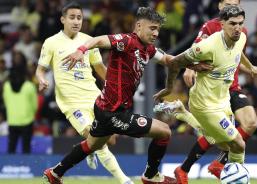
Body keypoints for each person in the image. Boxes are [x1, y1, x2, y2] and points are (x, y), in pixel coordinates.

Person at [42, 6, 212, 184]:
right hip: (113, 112)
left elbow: (170, 60)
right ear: (139, 26)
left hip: (103, 107)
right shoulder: (127, 41)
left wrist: (192, 65)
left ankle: (55, 173)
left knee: (92, 145)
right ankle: (151, 175)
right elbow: (100, 40)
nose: (155, 33)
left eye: (158, 30)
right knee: (164, 131)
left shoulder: (148, 49)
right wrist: (81, 50)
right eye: (152, 28)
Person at [155, 5, 257, 184]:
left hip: (222, 100)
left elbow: (239, 56)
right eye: (232, 24)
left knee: (223, 142)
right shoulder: (207, 46)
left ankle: (183, 114)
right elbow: (175, 62)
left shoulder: (242, 37)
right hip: (204, 103)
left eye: (240, 23)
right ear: (221, 24)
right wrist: (171, 86)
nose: (237, 28)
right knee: (237, 144)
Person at [36, 2, 131, 184]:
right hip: (72, 103)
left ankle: (88, 149)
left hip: (95, 97)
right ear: (62, 19)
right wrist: (42, 79)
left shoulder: (89, 41)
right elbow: (40, 69)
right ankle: (125, 180)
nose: (76, 21)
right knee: (94, 138)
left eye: (79, 18)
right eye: (72, 17)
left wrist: (116, 88)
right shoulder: (51, 43)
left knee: (110, 141)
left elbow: (100, 68)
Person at [3, 51, 37, 154]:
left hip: (12, 121)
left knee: (11, 148)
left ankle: (8, 168)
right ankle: (27, 168)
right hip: (27, 121)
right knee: (26, 148)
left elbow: (6, 102)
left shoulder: (7, 86)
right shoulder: (29, 86)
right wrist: (29, 115)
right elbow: (35, 106)